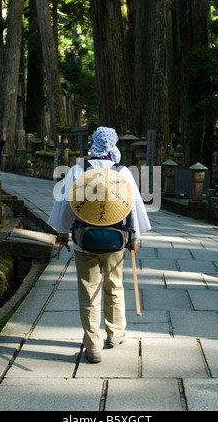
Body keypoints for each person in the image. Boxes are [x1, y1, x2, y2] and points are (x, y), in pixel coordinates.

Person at [49, 127, 151, 363]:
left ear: (93, 143)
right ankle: (114, 333)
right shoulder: (122, 171)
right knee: (114, 286)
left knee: (88, 291)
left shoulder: (78, 170)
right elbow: (132, 207)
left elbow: (66, 206)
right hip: (116, 240)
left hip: (84, 240)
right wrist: (134, 239)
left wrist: (63, 232)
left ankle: (92, 346)